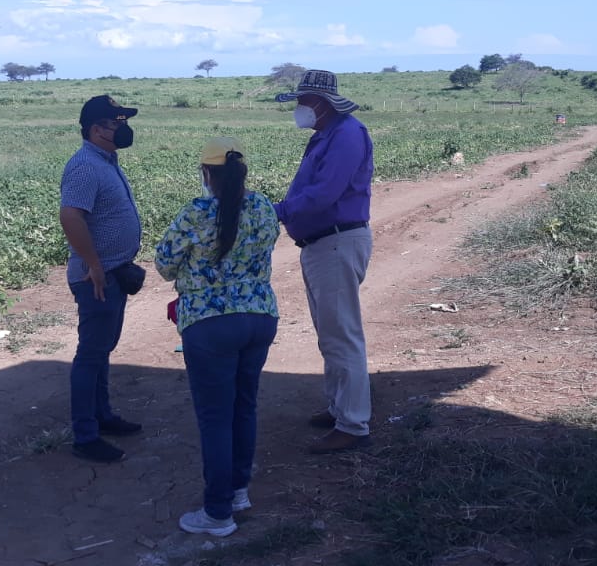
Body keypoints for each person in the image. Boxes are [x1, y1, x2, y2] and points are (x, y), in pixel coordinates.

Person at [155, 137, 281, 537]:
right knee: (244, 407)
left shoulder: (197, 211)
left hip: (209, 324)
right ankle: (238, 491)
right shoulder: (262, 206)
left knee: (215, 419)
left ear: (207, 173)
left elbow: (164, 264)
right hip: (259, 317)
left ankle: (217, 513)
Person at [273, 70, 375, 454]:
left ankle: (353, 424)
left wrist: (276, 211)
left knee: (341, 335)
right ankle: (339, 408)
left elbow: (324, 193)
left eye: (301, 101)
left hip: (336, 243)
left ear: (318, 103)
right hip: (323, 244)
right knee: (330, 333)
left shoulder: (347, 134)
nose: (298, 108)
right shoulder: (327, 134)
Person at [58, 95, 146, 463]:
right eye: (117, 122)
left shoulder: (105, 161)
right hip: (97, 276)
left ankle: (102, 415)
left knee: (101, 350)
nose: (124, 128)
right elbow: (70, 217)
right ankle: (85, 435)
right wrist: (93, 264)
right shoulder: (85, 167)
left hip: (112, 272)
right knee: (91, 354)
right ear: (97, 129)